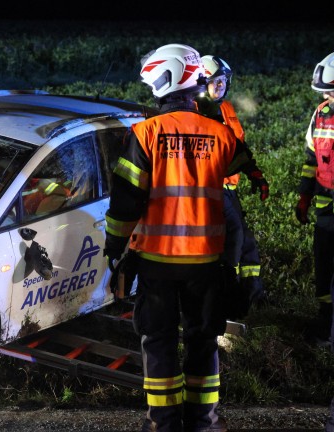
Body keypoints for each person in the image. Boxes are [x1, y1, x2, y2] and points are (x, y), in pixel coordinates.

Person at [104, 44, 268, 432]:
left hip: (158, 263)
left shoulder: (145, 134)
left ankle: (163, 423)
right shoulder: (219, 133)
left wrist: (114, 251)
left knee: (158, 344)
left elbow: (126, 204)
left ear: (164, 81)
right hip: (207, 264)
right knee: (202, 342)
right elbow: (244, 164)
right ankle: (203, 423)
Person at [196, 55, 269, 319]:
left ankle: (253, 292)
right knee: (231, 242)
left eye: (224, 82)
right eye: (217, 82)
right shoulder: (195, 111)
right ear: (202, 83)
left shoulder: (226, 109)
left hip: (229, 187)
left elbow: (237, 147)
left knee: (245, 241)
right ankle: (229, 294)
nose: (222, 87)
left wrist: (254, 174)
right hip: (210, 190)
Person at [295, 51, 334, 347]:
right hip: (326, 206)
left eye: (331, 92)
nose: (327, 97)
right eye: (325, 93)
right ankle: (325, 325)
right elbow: (311, 158)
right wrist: (304, 196)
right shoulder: (321, 114)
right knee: (324, 268)